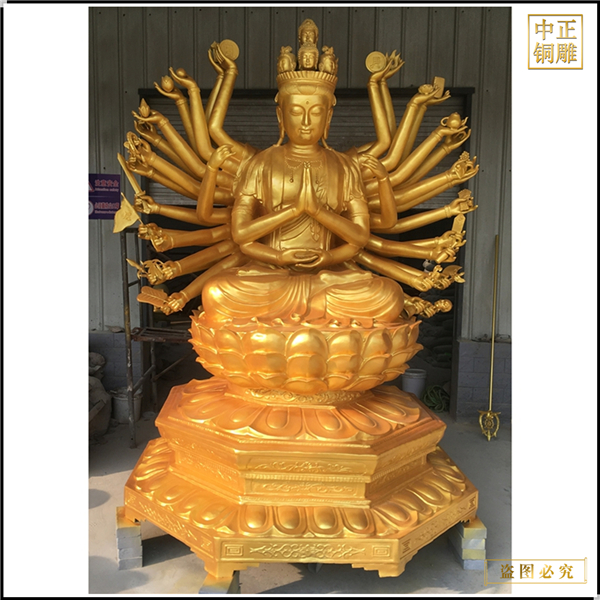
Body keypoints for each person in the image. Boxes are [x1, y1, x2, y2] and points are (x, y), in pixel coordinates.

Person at [198, 66, 404, 327]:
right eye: (296, 111)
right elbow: (241, 235)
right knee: (216, 291)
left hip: (328, 276)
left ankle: (299, 311)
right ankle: (317, 312)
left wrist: (322, 226)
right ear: (280, 116)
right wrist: (289, 223)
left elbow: (360, 236)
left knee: (389, 295)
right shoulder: (261, 163)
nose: (306, 122)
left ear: (328, 117)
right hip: (270, 276)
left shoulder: (344, 166)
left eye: (316, 112)